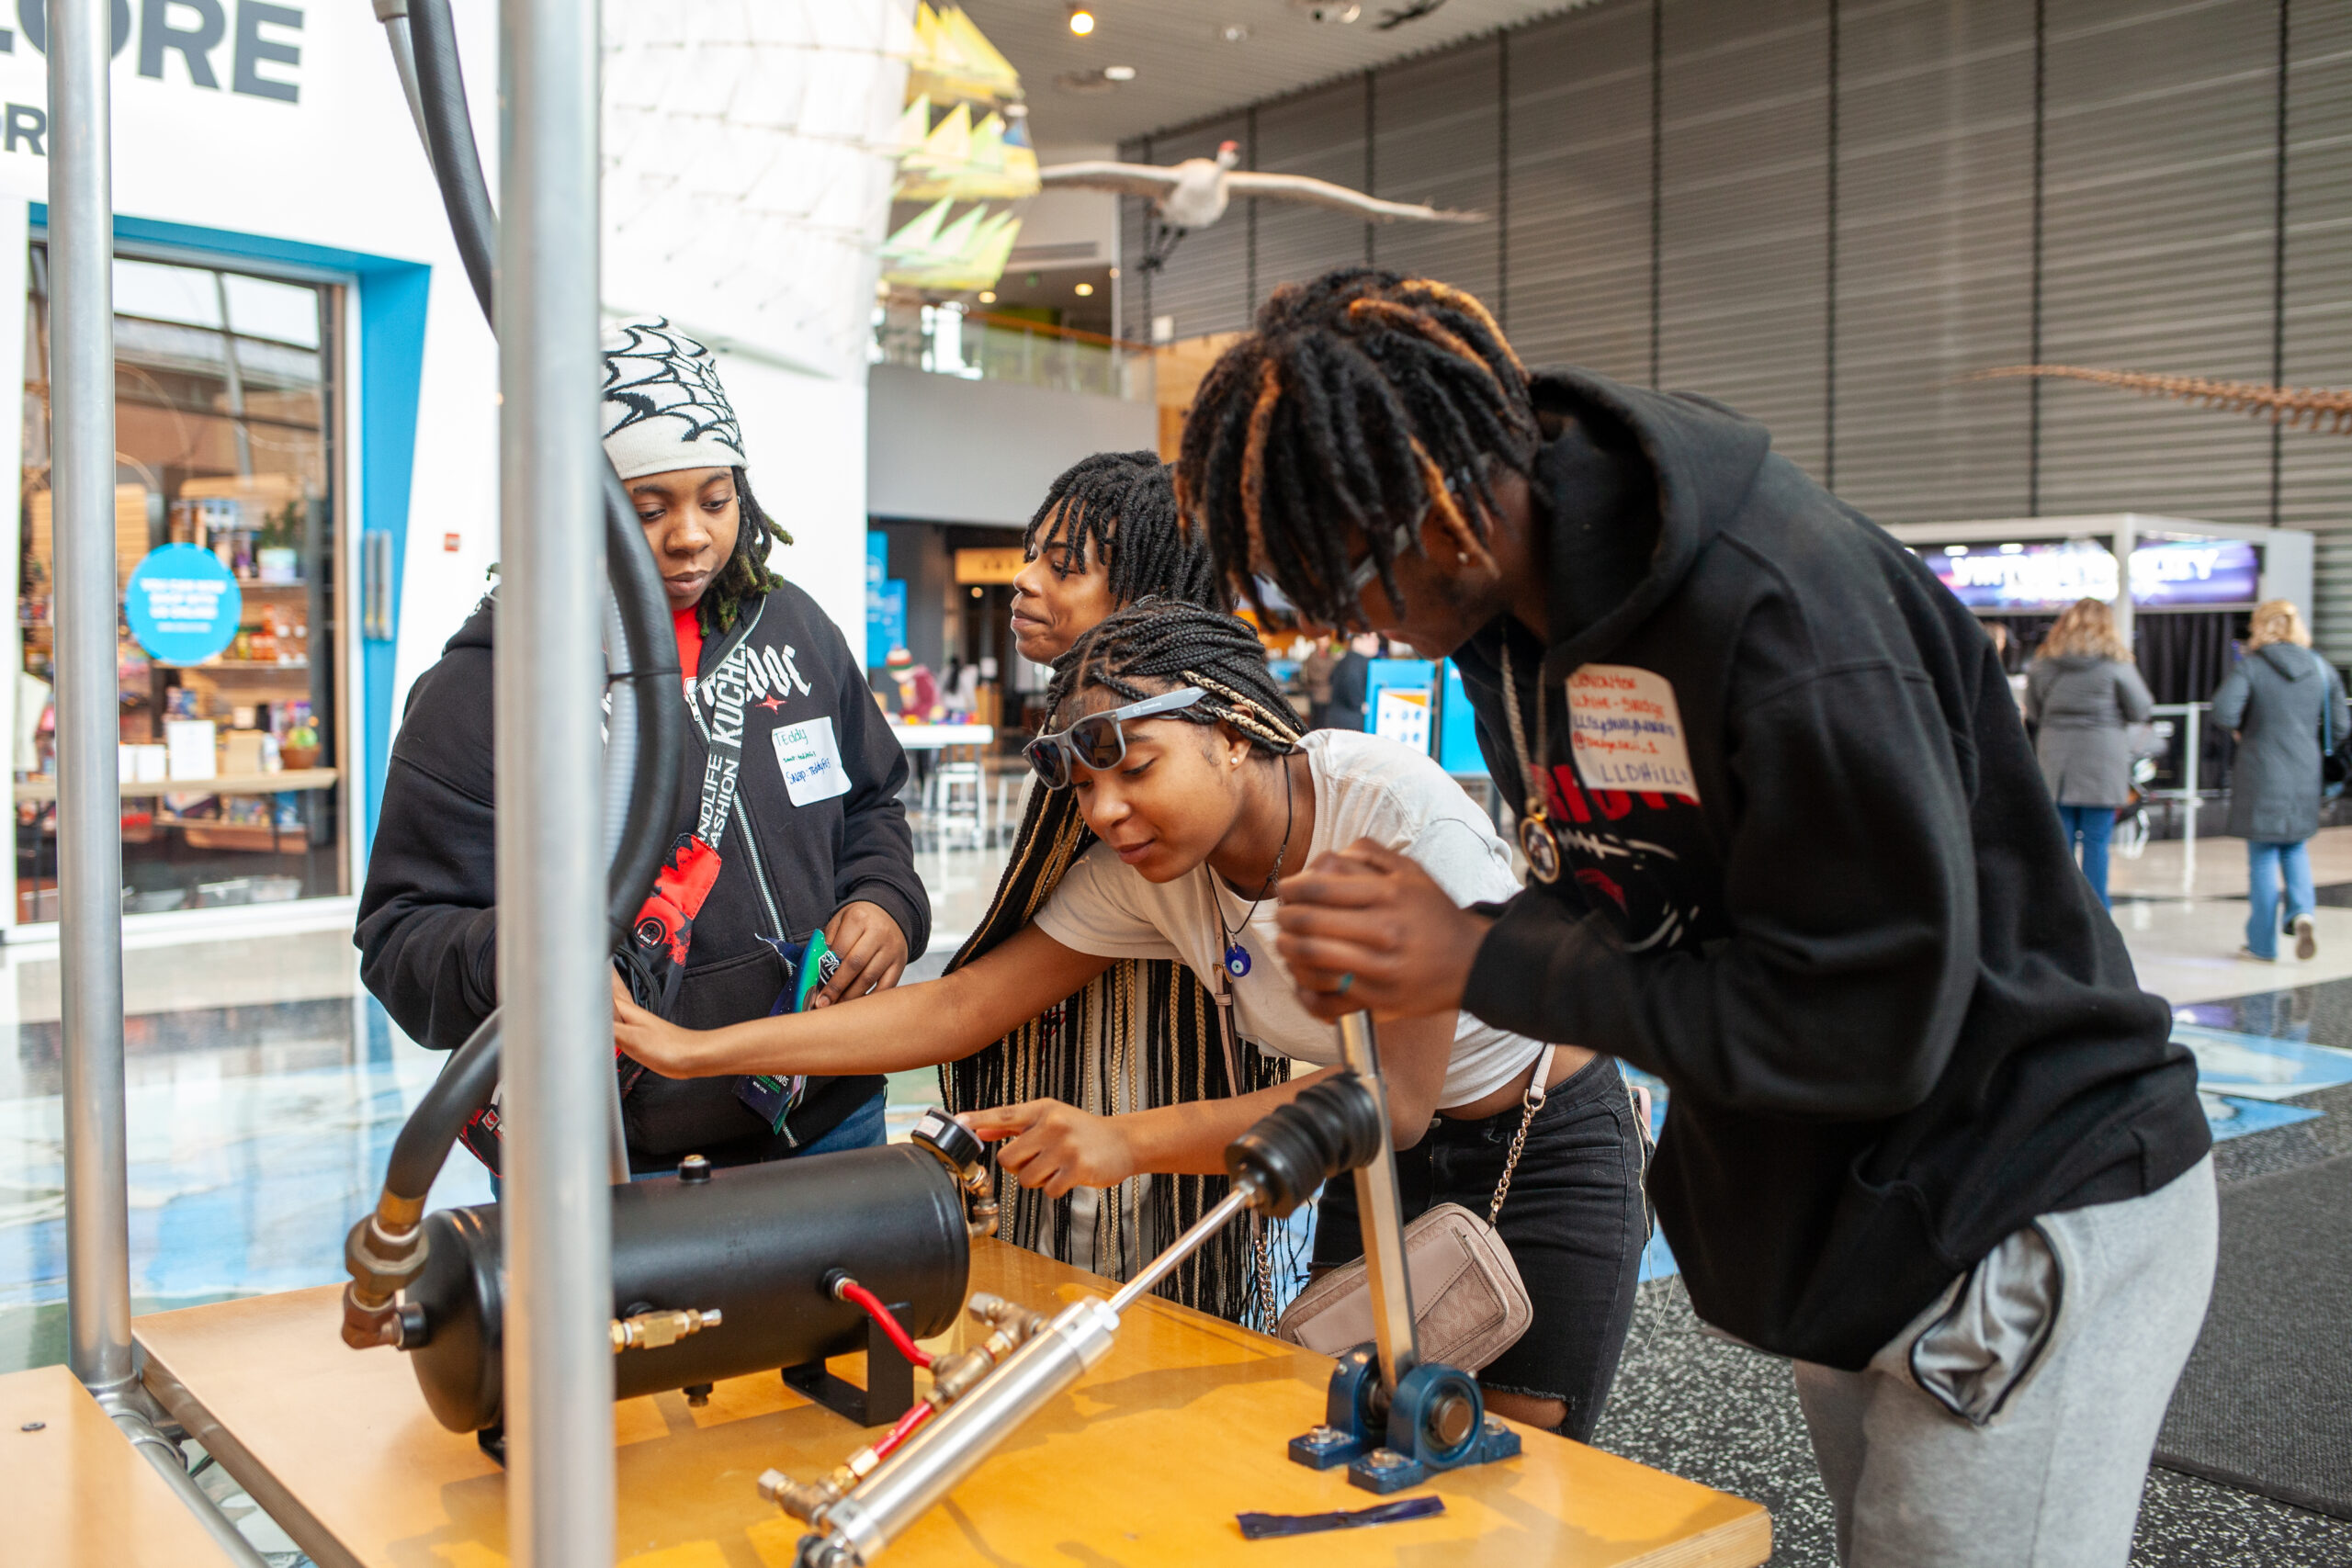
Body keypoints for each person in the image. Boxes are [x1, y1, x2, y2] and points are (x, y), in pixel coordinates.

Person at [1180, 268, 2212, 1566]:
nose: (1351, 627)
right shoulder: (1515, 629)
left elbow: (1863, 1017)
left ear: (1439, 511)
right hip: (1861, 1218)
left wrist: (1479, 954)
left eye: (1349, 579)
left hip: (2020, 1190)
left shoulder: (1785, 619)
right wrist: (1436, 941)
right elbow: (1634, 900)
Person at [616, 599, 1651, 1438]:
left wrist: (1123, 1141)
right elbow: (962, 1006)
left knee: (1518, 1484)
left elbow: (1395, 1101)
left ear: (1234, 731)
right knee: (1361, 1444)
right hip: (1370, 1174)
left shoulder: (1390, 821)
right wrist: (698, 1051)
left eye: (1138, 769)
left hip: (1540, 1149)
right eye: (1088, 786)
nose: (1107, 812)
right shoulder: (1149, 873)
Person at [357, 318, 928, 1171]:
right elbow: (401, 938)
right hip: (617, 1158)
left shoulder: (797, 629)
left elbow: (872, 800)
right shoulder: (486, 693)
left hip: (831, 1117)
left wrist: (886, 898)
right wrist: (523, 958)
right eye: (648, 508)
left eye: (716, 497)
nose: (691, 535)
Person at [956, 449, 1267, 1314]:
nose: (1021, 582)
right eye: (1031, 555)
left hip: (1152, 1112)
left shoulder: (1195, 761)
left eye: (1066, 567)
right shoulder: (1082, 722)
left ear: (1150, 593)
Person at [2211, 599, 2347, 964]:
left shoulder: (2252, 667)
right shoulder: (2320, 668)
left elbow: (2224, 711)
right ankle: (2302, 912)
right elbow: (2342, 725)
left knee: (2262, 855)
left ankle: (2261, 944)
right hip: (2305, 770)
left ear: (2260, 626)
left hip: (2260, 769)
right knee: (2295, 846)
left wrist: (2246, 730)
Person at [2023, 598, 2152, 908]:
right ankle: (2098, 917)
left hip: (2055, 762)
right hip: (2102, 762)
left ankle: (2060, 914)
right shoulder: (2117, 664)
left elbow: (2034, 712)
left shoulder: (2043, 664)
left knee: (2059, 847)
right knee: (2097, 844)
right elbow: (2141, 709)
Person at [1315, 632, 1376, 732]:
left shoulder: (1346, 659)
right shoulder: (1357, 661)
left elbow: (1331, 678)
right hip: (1352, 723)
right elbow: (1351, 683)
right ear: (1357, 641)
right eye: (1371, 638)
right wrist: (1361, 705)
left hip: (1338, 721)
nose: (1376, 642)